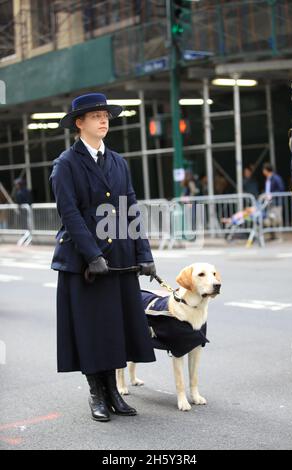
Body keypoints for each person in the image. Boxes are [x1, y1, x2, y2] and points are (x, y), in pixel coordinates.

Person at [49, 92, 157, 423]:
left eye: (106, 115)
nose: (103, 120)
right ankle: (97, 394)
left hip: (120, 258)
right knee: (91, 330)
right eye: (96, 115)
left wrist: (144, 253)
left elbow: (130, 209)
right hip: (84, 264)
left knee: (113, 329)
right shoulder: (65, 165)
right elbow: (70, 213)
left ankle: (113, 393)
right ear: (79, 123)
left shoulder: (119, 162)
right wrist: (92, 254)